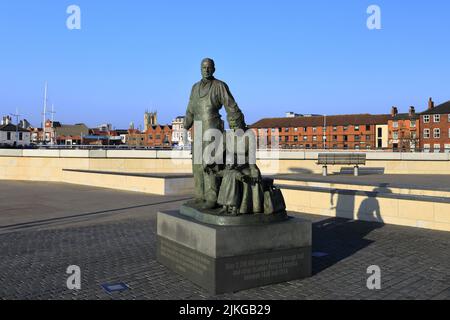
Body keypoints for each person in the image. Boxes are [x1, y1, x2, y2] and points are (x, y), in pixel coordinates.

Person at [184, 58, 246, 209]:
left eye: (209, 67)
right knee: (197, 164)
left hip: (212, 126)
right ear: (200, 69)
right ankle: (200, 195)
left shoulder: (219, 86)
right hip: (198, 128)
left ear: (214, 69)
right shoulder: (194, 87)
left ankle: (212, 197)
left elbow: (231, 106)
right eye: (203, 67)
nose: (206, 70)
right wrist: (186, 123)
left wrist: (238, 125)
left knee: (210, 163)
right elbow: (191, 108)